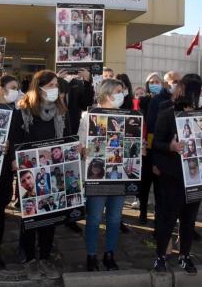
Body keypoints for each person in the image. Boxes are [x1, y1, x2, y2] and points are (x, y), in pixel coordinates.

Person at [152, 73, 202, 275]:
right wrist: (170, 146)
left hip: (196, 176)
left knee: (189, 220)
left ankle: (184, 255)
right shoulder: (168, 113)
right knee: (168, 218)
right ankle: (161, 257)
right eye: (197, 90)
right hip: (172, 176)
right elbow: (156, 143)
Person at [9, 70, 70, 279]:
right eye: (52, 85)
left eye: (56, 85)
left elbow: (68, 136)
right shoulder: (24, 109)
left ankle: (44, 256)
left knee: (49, 215)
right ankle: (28, 256)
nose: (55, 89)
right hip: (29, 171)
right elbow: (15, 139)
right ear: (39, 87)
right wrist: (14, 161)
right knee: (31, 215)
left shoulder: (61, 109)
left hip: (54, 169)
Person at [78, 78, 127, 271]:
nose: (121, 94)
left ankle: (109, 254)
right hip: (96, 176)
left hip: (118, 175)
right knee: (95, 217)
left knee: (115, 217)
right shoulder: (87, 116)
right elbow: (80, 144)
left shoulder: (125, 117)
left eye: (122, 91)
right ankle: (91, 255)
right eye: (117, 91)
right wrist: (83, 149)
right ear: (106, 94)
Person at [144, 71, 181, 226]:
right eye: (175, 81)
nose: (177, 84)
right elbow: (152, 130)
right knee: (161, 194)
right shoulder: (158, 101)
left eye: (179, 81)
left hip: (177, 156)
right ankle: (159, 227)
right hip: (161, 153)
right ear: (166, 83)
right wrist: (154, 161)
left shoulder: (181, 100)